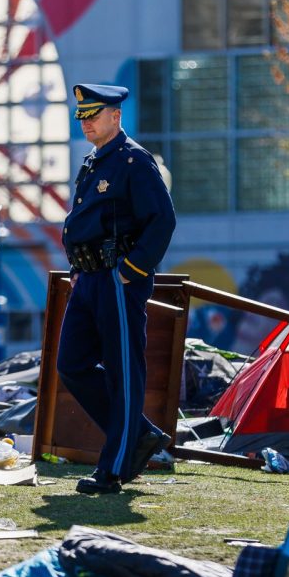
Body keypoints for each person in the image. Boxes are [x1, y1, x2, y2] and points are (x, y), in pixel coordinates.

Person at [56, 83, 177, 495]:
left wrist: (131, 270)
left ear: (116, 116)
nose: (87, 123)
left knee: (123, 374)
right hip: (88, 278)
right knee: (71, 364)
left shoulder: (134, 161)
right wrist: (77, 270)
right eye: (82, 117)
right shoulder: (93, 162)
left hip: (117, 278)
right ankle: (139, 436)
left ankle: (114, 469)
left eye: (93, 115)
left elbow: (162, 221)